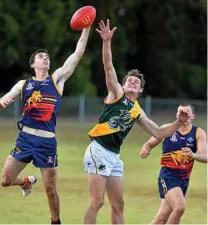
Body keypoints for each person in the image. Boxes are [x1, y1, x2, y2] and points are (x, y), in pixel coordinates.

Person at [83, 19, 190, 224]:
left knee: (118, 204)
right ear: (123, 85)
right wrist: (106, 42)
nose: (132, 82)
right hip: (98, 150)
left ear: (140, 90)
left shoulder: (136, 110)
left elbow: (158, 133)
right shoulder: (116, 94)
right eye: (129, 80)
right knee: (97, 202)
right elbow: (108, 67)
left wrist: (178, 122)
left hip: (114, 156)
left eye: (137, 82)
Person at [0, 27, 90, 224]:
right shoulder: (23, 85)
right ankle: (26, 182)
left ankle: (56, 221)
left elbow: (78, 53)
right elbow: (5, 99)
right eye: (41, 56)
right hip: (25, 139)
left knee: (50, 190)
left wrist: (86, 27)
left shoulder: (57, 79)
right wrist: (3, 102)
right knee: (5, 180)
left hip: (46, 142)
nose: (45, 58)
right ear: (33, 64)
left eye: (47, 56)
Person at [139, 104, 207, 224]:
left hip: (183, 179)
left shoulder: (198, 133)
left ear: (193, 116)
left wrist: (193, 155)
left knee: (161, 220)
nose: (184, 114)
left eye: (187, 112)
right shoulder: (168, 129)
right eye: (181, 112)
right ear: (177, 115)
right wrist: (146, 149)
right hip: (168, 176)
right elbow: (149, 143)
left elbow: (205, 157)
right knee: (180, 207)